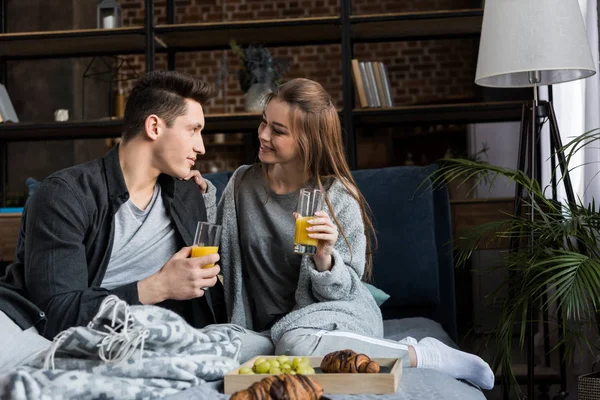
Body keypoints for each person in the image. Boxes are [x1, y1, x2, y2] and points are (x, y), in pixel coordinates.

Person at [217, 78, 495, 390]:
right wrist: (193, 192)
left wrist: (324, 259)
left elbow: (344, 289)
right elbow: (216, 248)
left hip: (335, 315)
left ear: (309, 140)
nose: (263, 135)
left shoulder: (337, 196)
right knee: (216, 346)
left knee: (294, 344)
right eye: (264, 122)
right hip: (268, 331)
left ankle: (422, 354)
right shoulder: (241, 184)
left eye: (278, 131)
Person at [0, 70, 224, 374]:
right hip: (34, 328)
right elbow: (56, 315)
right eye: (193, 130)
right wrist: (158, 286)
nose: (201, 147)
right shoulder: (65, 195)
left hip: (137, 335)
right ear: (154, 127)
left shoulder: (187, 193)